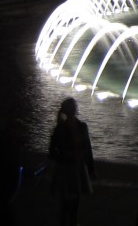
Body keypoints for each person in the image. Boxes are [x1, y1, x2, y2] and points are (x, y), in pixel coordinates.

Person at [47, 97, 96, 226]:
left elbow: (88, 149)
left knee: (73, 201)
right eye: (73, 107)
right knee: (67, 202)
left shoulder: (79, 126)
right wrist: (65, 155)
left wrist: (91, 168)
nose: (75, 109)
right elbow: (52, 152)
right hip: (68, 168)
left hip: (76, 167)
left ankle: (72, 223)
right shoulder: (61, 129)